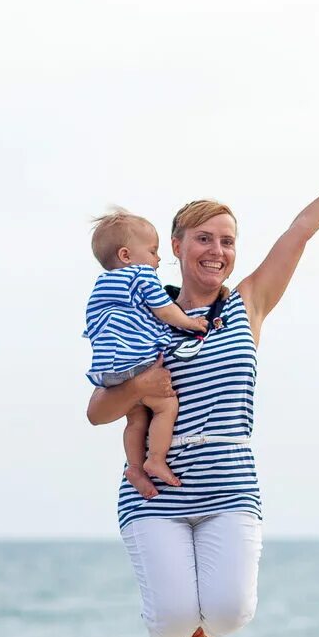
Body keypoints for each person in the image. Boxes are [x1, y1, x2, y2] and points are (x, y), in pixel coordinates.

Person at [87, 142, 319, 637]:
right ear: (174, 247)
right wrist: (139, 385)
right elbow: (97, 412)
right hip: (158, 489)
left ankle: (202, 634)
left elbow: (298, 233)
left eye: (226, 241)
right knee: (172, 617)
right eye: (203, 238)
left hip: (229, 486)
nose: (216, 250)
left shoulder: (247, 303)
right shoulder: (139, 309)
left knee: (228, 614)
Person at [83, 209, 209, 489]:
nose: (158, 259)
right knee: (166, 406)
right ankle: (155, 458)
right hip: (137, 359)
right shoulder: (141, 275)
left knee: (136, 417)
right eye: (153, 251)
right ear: (126, 256)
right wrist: (190, 322)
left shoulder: (101, 286)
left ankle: (136, 469)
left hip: (109, 369)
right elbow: (165, 311)